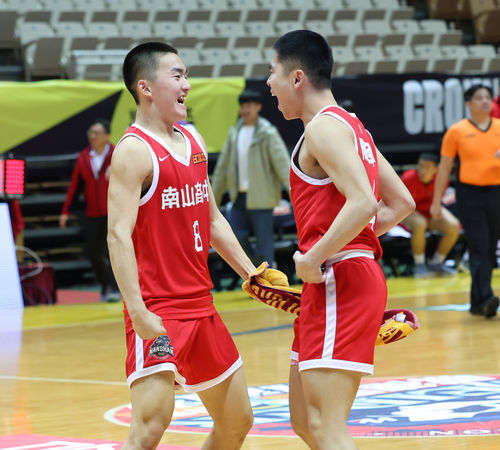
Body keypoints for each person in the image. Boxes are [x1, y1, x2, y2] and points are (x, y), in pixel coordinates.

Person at [266, 30, 415, 449]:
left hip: (340, 279)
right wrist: (348, 246)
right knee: (303, 420)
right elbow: (400, 202)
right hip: (338, 276)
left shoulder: (322, 129)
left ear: (297, 78)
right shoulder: (353, 126)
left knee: (325, 424)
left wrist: (316, 256)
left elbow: (365, 202)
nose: (268, 83)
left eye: (271, 72)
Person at [107, 42, 256, 449]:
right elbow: (117, 236)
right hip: (158, 310)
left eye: (186, 74)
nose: (187, 83)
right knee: (151, 425)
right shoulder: (133, 151)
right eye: (177, 75)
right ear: (146, 87)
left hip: (202, 308)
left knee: (238, 421)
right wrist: (137, 311)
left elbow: (211, 220)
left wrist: (251, 273)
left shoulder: (193, 142)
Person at [431, 84, 500, 319]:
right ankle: (488, 296)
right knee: (479, 245)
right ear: (468, 103)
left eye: (488, 97)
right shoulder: (457, 131)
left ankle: (477, 302)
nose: (485, 101)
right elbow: (444, 168)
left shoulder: (499, 128)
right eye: (479, 97)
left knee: (490, 248)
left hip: (497, 192)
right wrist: (436, 201)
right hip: (470, 195)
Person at [211, 88, 290, 268]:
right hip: (238, 197)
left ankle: (269, 284)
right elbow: (222, 168)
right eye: (243, 106)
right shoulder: (234, 133)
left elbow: (283, 165)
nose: (245, 110)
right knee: (236, 237)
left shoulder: (268, 133)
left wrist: (296, 194)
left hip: (262, 198)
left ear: (258, 107)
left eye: (250, 106)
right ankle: (257, 272)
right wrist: (213, 199)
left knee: (265, 242)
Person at [59, 118, 118, 302]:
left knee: (115, 251)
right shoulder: (84, 157)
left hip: (115, 211)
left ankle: (117, 287)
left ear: (107, 136)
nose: (92, 136)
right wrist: (65, 211)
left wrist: (117, 169)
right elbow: (74, 186)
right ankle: (106, 283)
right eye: (90, 133)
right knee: (92, 252)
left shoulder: (118, 154)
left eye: (96, 133)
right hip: (92, 212)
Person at [401, 152, 460, 277]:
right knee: (420, 223)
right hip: (410, 212)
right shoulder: (408, 178)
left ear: (436, 169)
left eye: (427, 167)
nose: (422, 170)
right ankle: (420, 265)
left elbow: (437, 202)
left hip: (430, 211)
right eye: (420, 166)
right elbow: (402, 204)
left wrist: (436, 209)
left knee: (454, 226)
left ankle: (437, 263)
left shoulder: (442, 178)